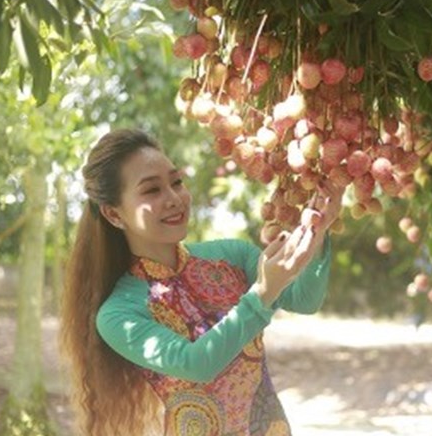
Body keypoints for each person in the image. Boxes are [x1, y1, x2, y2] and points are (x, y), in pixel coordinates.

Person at [60, 128, 342, 436]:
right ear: (114, 214)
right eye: (152, 190)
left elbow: (304, 299)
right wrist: (262, 293)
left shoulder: (231, 256)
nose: (174, 198)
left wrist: (319, 227)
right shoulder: (118, 314)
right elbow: (197, 364)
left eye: (176, 182)